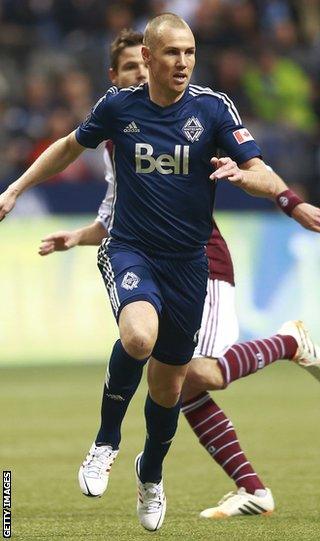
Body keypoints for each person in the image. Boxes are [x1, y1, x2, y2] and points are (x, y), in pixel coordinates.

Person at [1, 13, 320, 531]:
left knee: (174, 385)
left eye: (190, 52)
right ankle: (106, 442)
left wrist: (283, 197)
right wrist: (16, 188)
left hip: (190, 263)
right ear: (147, 60)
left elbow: (257, 167)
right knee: (138, 337)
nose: (184, 62)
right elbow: (67, 147)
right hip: (133, 250)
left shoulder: (213, 109)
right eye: (173, 53)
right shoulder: (119, 109)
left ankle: (151, 474)